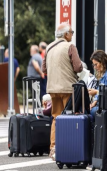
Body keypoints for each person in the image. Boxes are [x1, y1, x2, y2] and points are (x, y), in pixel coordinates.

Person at [43, 23, 83, 161]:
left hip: (52, 89)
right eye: (71, 32)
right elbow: (78, 67)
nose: (72, 34)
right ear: (66, 34)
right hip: (67, 88)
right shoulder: (69, 46)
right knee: (70, 117)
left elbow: (44, 69)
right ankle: (69, 146)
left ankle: (53, 148)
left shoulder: (49, 47)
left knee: (56, 117)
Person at [89, 50, 107, 118]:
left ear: (102, 62)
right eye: (93, 65)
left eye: (96, 64)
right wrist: (94, 103)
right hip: (102, 106)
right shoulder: (105, 74)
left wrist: (96, 92)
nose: (95, 67)